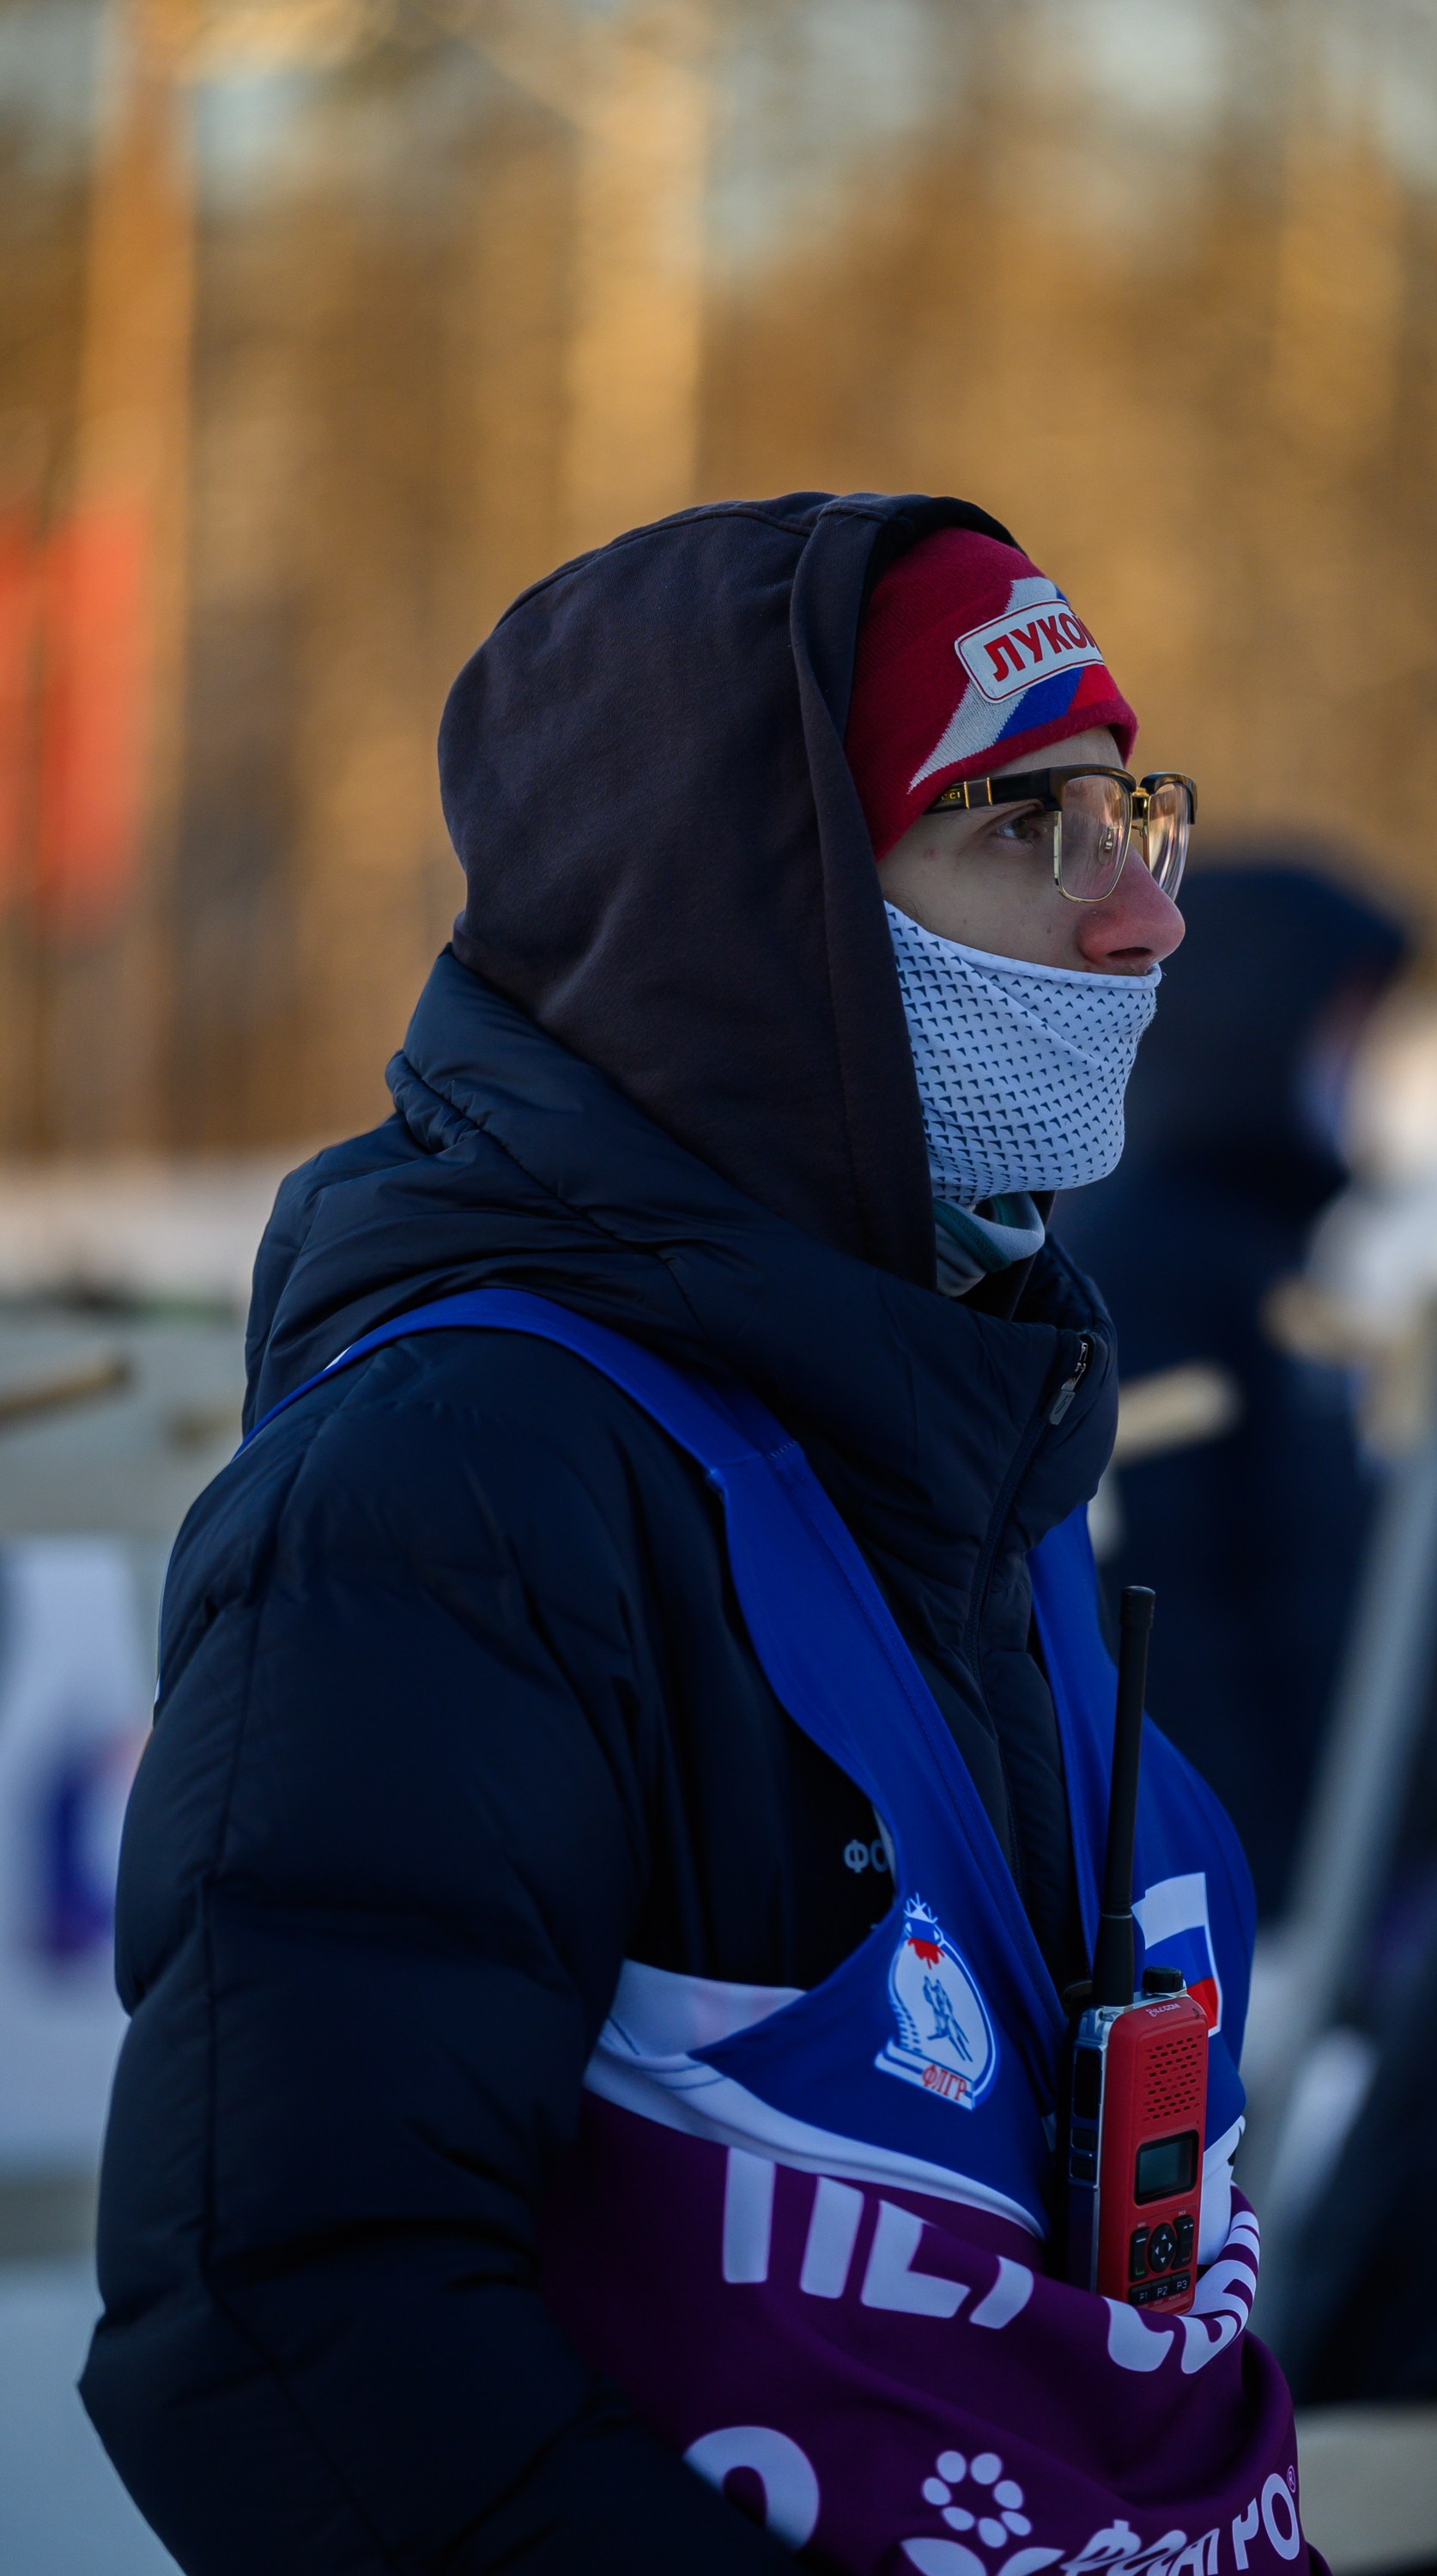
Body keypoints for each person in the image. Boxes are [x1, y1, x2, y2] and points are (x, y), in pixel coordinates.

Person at [82, 495, 1316, 2573]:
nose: (1139, 919)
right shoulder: (453, 1481)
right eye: (1022, 821)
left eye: (1131, 812)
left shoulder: (953, 1418)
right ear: (763, 916)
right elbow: (281, 2322)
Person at [1056, 857, 1408, 1917]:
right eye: (1341, 1030)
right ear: (1255, 1019)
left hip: (1321, 1833)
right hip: (1227, 1864)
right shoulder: (1149, 1255)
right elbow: (1162, 1604)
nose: (1357, 1066)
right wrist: (1266, 1866)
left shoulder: (1259, 1245)